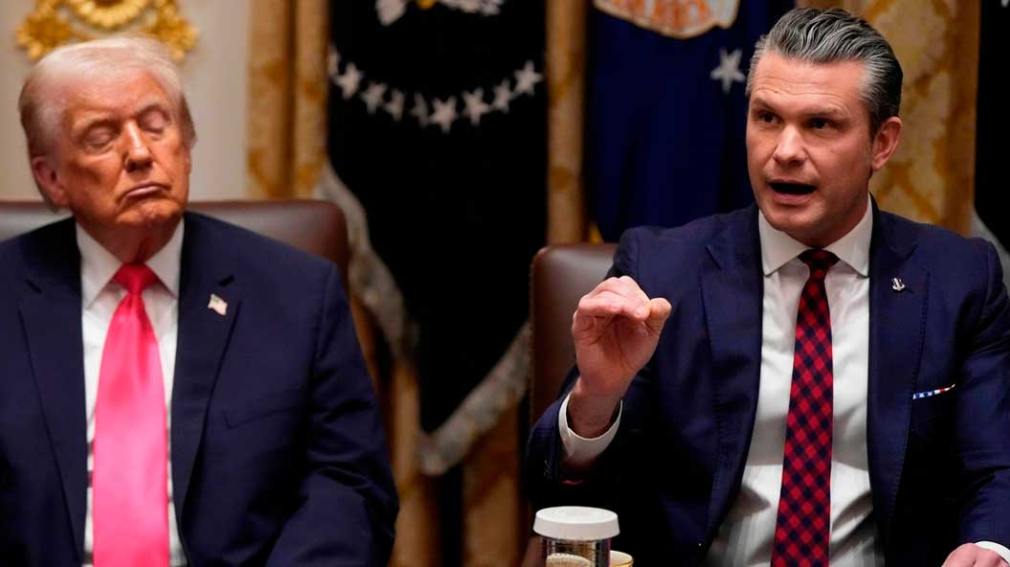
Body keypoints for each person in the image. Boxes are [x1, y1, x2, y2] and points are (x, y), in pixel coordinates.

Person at [527, 8, 1010, 567]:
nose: (784, 151)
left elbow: (994, 465)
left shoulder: (958, 278)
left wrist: (988, 545)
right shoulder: (661, 270)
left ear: (882, 143)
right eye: (767, 118)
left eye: (820, 124)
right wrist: (597, 398)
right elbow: (554, 491)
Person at [0, 37, 397, 565]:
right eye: (101, 137)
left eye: (155, 125)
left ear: (185, 146)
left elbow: (348, 485)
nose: (140, 153)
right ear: (52, 178)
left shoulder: (296, 294)